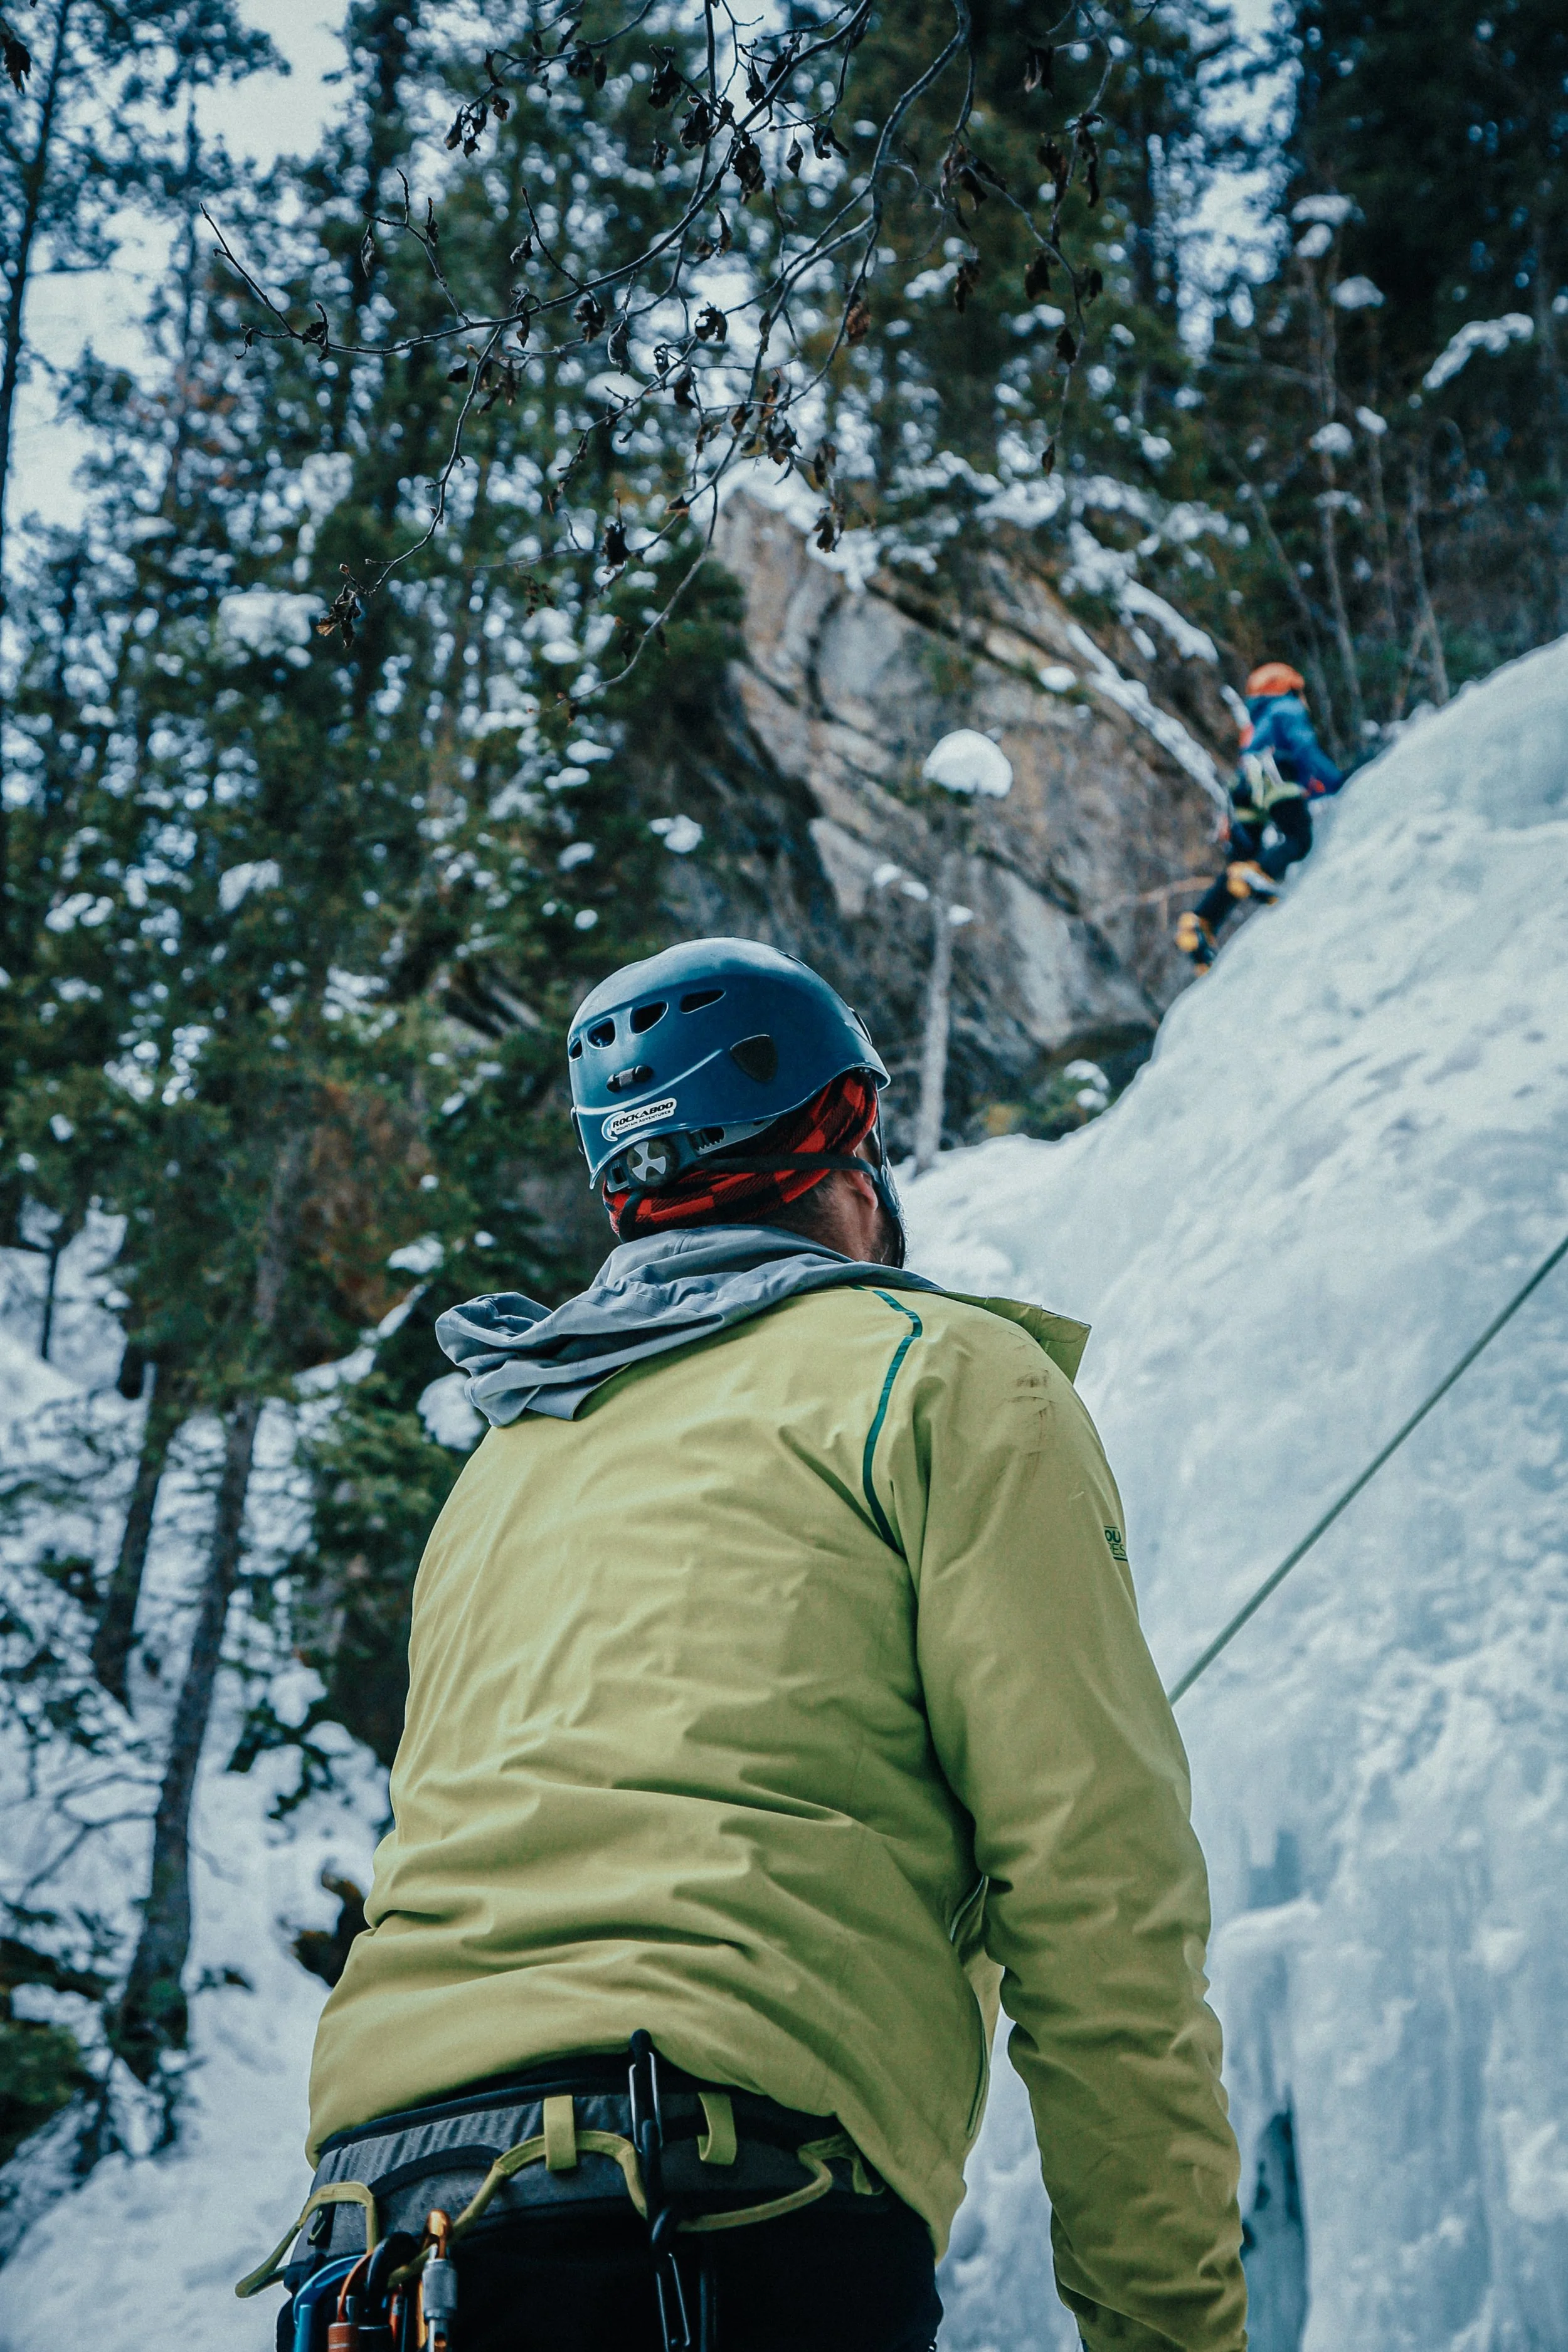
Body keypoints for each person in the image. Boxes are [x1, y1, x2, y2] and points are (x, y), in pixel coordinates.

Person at [246, 938, 1245, 2352]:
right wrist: (1170, 2333)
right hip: (713, 2222)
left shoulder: (509, 1457)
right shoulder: (940, 1370)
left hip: (376, 2250)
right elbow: (1097, 1900)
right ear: (846, 1149)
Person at [1177, 661, 1345, 969]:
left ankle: (1200, 922)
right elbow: (1304, 748)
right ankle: (1258, 875)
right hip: (1272, 775)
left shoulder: (1255, 724)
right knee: (1298, 838)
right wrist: (1337, 782)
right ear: (1288, 688)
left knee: (1242, 859)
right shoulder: (1286, 709)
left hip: (1247, 787)